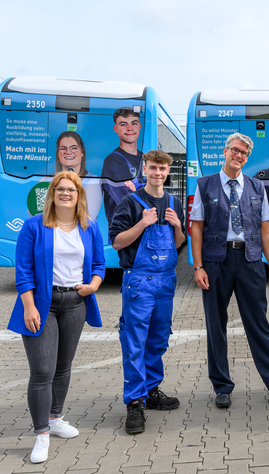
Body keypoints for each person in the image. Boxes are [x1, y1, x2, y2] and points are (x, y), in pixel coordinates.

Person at [190, 132, 269, 411]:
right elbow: (197, 228)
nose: (239, 156)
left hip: (250, 262)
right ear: (225, 151)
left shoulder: (256, 187)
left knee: (259, 326)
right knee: (216, 326)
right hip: (216, 263)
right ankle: (222, 387)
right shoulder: (205, 185)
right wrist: (198, 265)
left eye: (244, 154)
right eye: (235, 151)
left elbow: (266, 230)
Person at [8, 171, 105, 463]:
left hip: (76, 302)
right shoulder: (34, 226)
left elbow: (100, 263)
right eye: (60, 189)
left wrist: (94, 285)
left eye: (71, 190)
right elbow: (23, 271)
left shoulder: (89, 227)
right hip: (42, 304)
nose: (65, 194)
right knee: (42, 371)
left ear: (79, 196)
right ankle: (41, 435)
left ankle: (55, 418)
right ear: (52, 194)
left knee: (63, 367)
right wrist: (29, 306)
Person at [109, 149, 186, 435]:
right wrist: (142, 223)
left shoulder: (174, 202)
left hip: (166, 280)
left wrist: (178, 227)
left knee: (158, 340)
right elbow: (116, 242)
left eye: (163, 169)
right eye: (153, 168)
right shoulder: (130, 202)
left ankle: (152, 391)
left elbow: (179, 244)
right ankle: (134, 404)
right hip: (139, 280)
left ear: (168, 172)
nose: (158, 173)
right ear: (145, 169)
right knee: (135, 343)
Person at [102, 107, 145, 226]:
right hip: (122, 230)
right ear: (116, 128)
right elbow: (127, 201)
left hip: (142, 228)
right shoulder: (113, 161)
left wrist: (137, 190)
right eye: (123, 124)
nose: (130, 128)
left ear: (139, 126)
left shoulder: (145, 158)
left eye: (134, 123)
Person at [54, 131, 102, 220]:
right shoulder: (46, 180)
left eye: (74, 148)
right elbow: (36, 215)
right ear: (57, 154)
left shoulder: (93, 181)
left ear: (82, 152)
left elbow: (87, 218)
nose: (68, 152)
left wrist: (54, 211)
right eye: (63, 148)